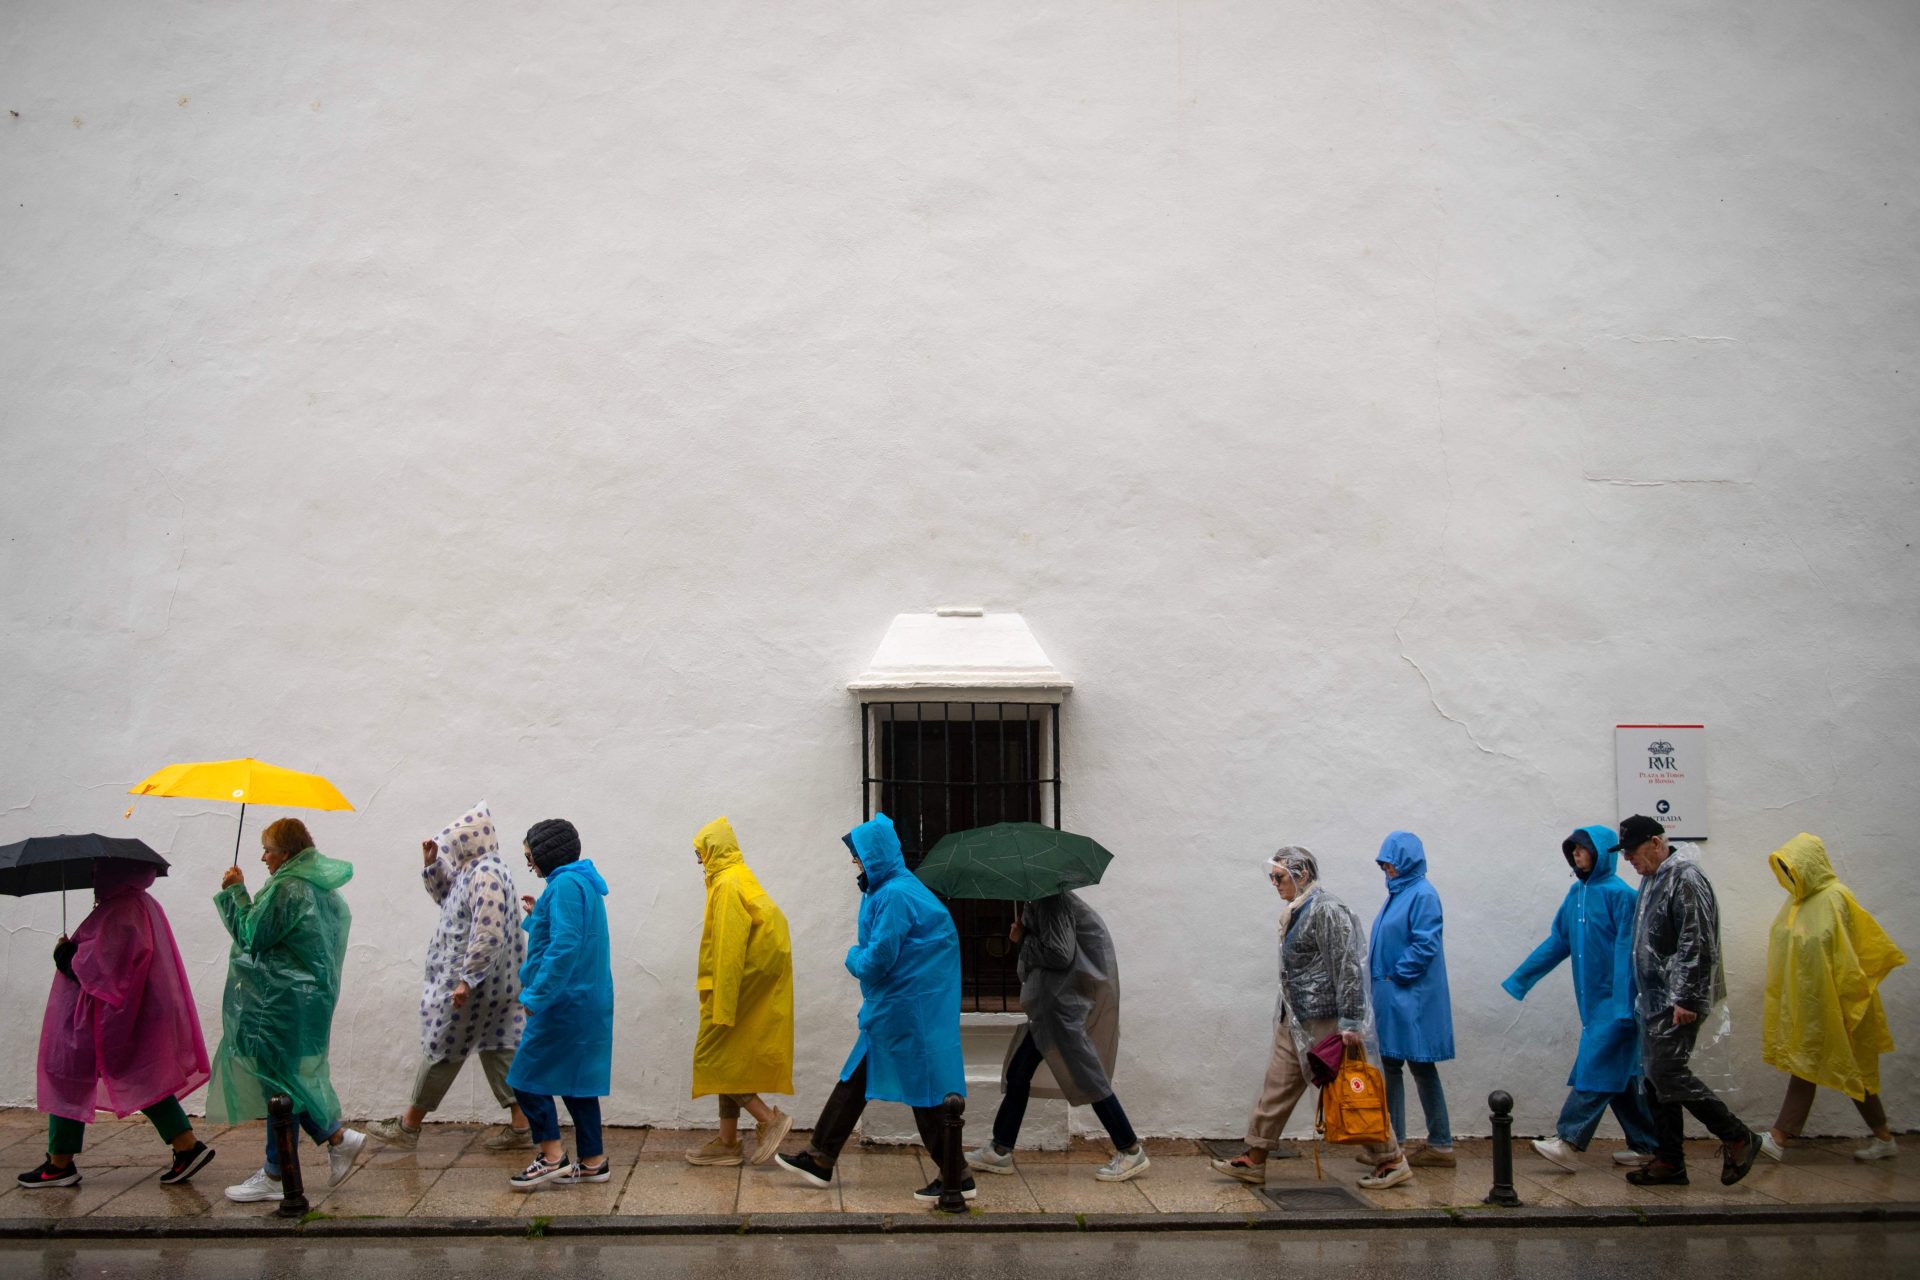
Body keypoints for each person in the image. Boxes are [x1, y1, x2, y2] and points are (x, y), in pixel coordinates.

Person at [775, 813, 968, 1203]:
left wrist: (851, 956)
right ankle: (820, 1157)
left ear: (875, 857)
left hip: (906, 1011)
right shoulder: (896, 888)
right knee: (858, 1079)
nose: (854, 863)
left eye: (858, 856)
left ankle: (956, 1176)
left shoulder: (895, 895)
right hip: (903, 1008)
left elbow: (878, 958)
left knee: (926, 1092)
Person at [1212, 847, 1410, 1189]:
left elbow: (1348, 965)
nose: (1274, 883)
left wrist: (1351, 1022)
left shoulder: (1327, 910)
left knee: (1349, 1089)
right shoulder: (1300, 910)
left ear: (1301, 874)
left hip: (1326, 1021)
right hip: (1298, 1018)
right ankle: (1254, 1158)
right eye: (1272, 877)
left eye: (1280, 876)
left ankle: (1391, 1158)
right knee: (1277, 1087)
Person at [18, 858, 214, 1189]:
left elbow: (101, 970)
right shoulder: (139, 904)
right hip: (131, 1013)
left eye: (99, 873)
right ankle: (185, 1145)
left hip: (104, 1017)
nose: (95, 878)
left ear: (115, 874)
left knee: (66, 1073)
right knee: (140, 1076)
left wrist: (66, 957)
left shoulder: (121, 911)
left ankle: (60, 1164)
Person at [210, 818, 368, 1204]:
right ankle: (335, 1138)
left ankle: (275, 1173)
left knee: (279, 1086)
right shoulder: (319, 885)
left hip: (278, 1002)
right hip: (306, 999)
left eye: (269, 850)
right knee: (289, 1083)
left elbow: (253, 936)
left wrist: (235, 892)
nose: (264, 857)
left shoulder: (288, 886)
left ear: (288, 851)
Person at [367, 801, 532, 1153]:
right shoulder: (482, 869)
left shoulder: (484, 874)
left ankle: (409, 1125)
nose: (451, 850)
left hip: (476, 986)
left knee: (443, 1047)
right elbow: (452, 899)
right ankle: (522, 1126)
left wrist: (466, 979)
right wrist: (432, 867)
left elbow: (488, 933)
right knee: (498, 1045)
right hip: (497, 983)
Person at [1502, 824, 1659, 1170]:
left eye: (1582, 848)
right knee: (1621, 1076)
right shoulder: (1575, 895)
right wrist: (1521, 978)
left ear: (1601, 852)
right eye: (1572, 849)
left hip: (1618, 1004)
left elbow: (1626, 953)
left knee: (1595, 1068)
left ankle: (1569, 1140)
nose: (1576, 853)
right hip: (1593, 1005)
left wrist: (1622, 1004)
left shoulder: (1622, 896)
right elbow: (1559, 941)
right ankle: (1648, 1144)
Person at [965, 889, 1148, 1183]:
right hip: (1050, 1008)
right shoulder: (1040, 899)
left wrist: (1022, 939)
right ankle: (1000, 1149)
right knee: (1019, 1073)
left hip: (1061, 1009)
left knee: (1088, 1075)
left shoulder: (1050, 900)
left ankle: (1129, 1148)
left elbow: (1060, 953)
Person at [1618, 815, 1758, 1186]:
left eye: (1632, 851)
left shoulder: (1685, 878)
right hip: (1655, 998)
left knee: (1667, 1073)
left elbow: (1697, 942)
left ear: (1655, 842)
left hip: (1678, 999)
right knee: (1656, 1078)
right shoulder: (1655, 878)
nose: (1628, 859)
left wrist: (1688, 997)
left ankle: (1737, 1135)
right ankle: (1669, 1161)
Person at [1759, 832, 1905, 1163]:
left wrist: (1847, 1001)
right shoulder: (1795, 903)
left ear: (1809, 865)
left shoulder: (1836, 897)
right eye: (1783, 867)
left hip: (1838, 1002)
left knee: (1821, 1065)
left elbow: (1853, 952)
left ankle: (1779, 1137)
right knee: (1830, 1066)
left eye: (1791, 866)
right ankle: (1884, 1138)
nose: (1788, 873)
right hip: (1809, 1003)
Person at [505, 818, 614, 1191]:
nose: (530, 863)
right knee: (576, 1083)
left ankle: (551, 1156)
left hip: (564, 1003)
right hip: (584, 1000)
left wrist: (536, 996)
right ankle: (593, 1161)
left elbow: (565, 946)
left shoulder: (565, 884)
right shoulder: (577, 881)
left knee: (524, 1077)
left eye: (530, 856)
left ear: (545, 853)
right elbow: (569, 932)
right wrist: (539, 914)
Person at [685, 816, 795, 1167]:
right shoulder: (737, 876)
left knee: (713, 1058)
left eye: (700, 852)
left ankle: (768, 1119)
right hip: (753, 981)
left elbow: (729, 948)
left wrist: (724, 1003)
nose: (699, 860)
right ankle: (728, 1143)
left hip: (739, 983)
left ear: (713, 850)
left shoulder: (727, 884)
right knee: (731, 1057)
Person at [1369, 831, 1455, 1169]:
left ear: (1407, 860)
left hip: (1409, 995)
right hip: (1395, 995)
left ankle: (1410, 1143)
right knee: (1403, 1065)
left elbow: (1425, 943)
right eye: (1384, 863)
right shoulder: (1400, 894)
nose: (1387, 868)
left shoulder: (1421, 894)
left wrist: (1397, 975)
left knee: (1412, 1064)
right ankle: (1412, 1142)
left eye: (1391, 861)